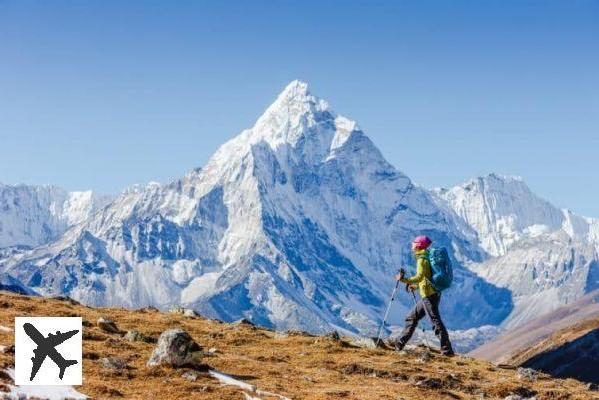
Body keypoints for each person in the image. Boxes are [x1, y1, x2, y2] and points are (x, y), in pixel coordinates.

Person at [394, 235, 454, 356]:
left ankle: (447, 351)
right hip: (433, 292)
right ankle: (399, 343)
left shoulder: (422, 259)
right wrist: (416, 287)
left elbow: (420, 277)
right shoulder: (427, 256)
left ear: (418, 245)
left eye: (414, 243)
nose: (412, 245)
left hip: (428, 295)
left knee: (435, 321)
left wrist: (403, 279)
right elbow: (427, 277)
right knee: (412, 317)